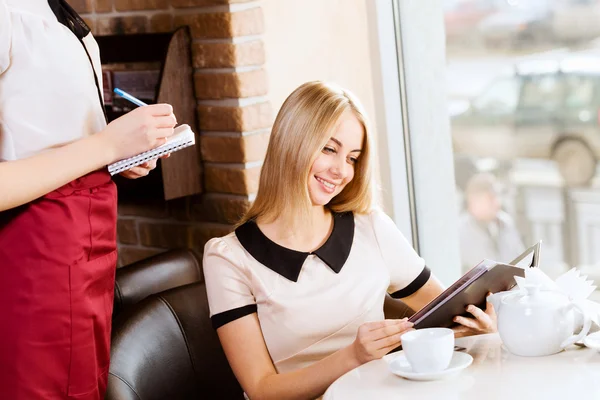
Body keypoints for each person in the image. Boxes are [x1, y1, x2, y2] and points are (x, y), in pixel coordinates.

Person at [202, 81, 496, 400]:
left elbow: (441, 309)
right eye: (330, 149)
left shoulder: (371, 227)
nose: (342, 171)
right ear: (291, 141)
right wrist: (353, 356)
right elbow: (261, 389)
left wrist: (471, 326)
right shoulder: (228, 257)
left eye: (353, 158)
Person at [0, 1, 177, 398]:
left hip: (84, 257)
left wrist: (120, 152)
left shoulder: (53, 9)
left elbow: (46, 138)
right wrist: (106, 144)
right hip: (33, 266)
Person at [458, 172, 525, 272]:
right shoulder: (459, 231)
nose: (497, 202)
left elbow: (522, 261)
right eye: (490, 198)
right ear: (473, 201)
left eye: (498, 196)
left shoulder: (506, 223)